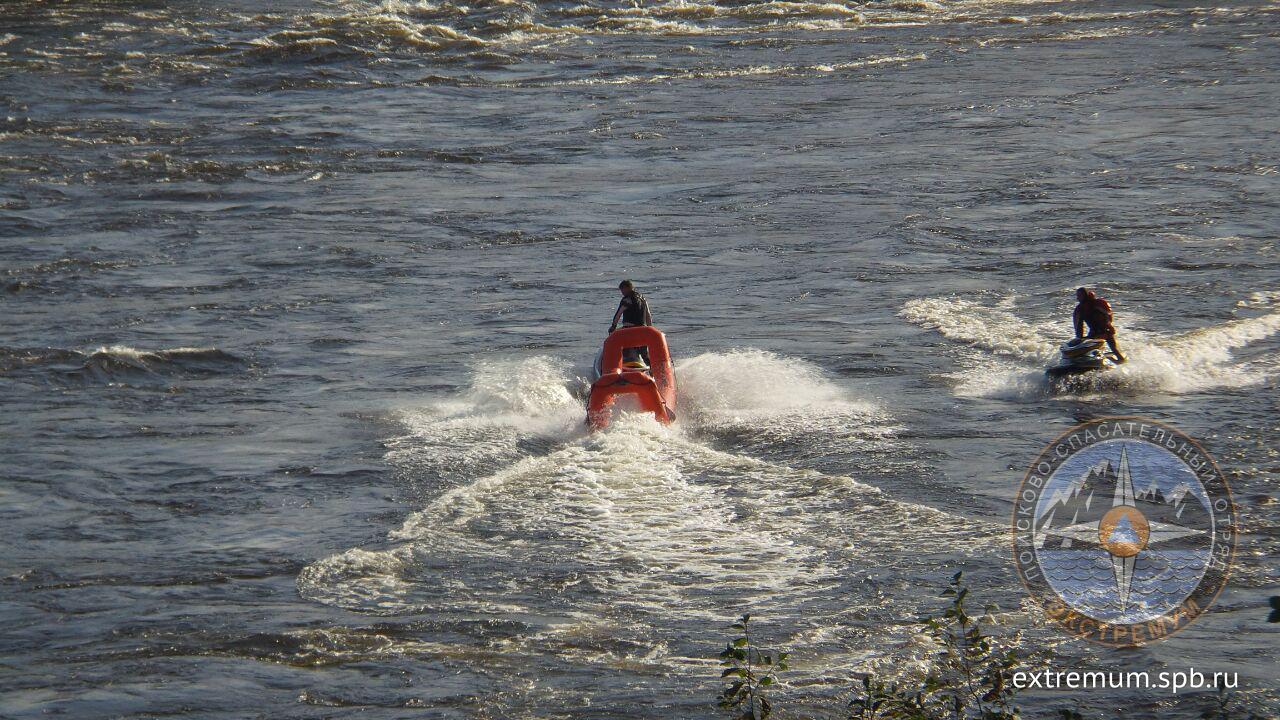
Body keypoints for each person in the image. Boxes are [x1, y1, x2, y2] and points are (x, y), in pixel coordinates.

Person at [1073, 287, 1126, 363]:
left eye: (1080, 295)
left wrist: (1108, 326)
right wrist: (1080, 339)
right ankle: (1088, 360)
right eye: (1077, 296)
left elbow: (1108, 314)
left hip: (1105, 330)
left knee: (1114, 348)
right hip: (1093, 332)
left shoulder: (1098, 303)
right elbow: (1078, 325)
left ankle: (1120, 360)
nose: (1078, 298)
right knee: (1088, 348)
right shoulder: (1079, 309)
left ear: (1086, 295)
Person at [609, 280, 653, 366]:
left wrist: (613, 326)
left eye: (622, 290)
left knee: (616, 341)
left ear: (627, 288)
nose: (622, 292)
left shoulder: (627, 300)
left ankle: (620, 365)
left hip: (629, 330)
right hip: (643, 330)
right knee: (644, 354)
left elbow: (618, 314)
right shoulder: (642, 298)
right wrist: (649, 329)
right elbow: (648, 315)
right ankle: (651, 369)